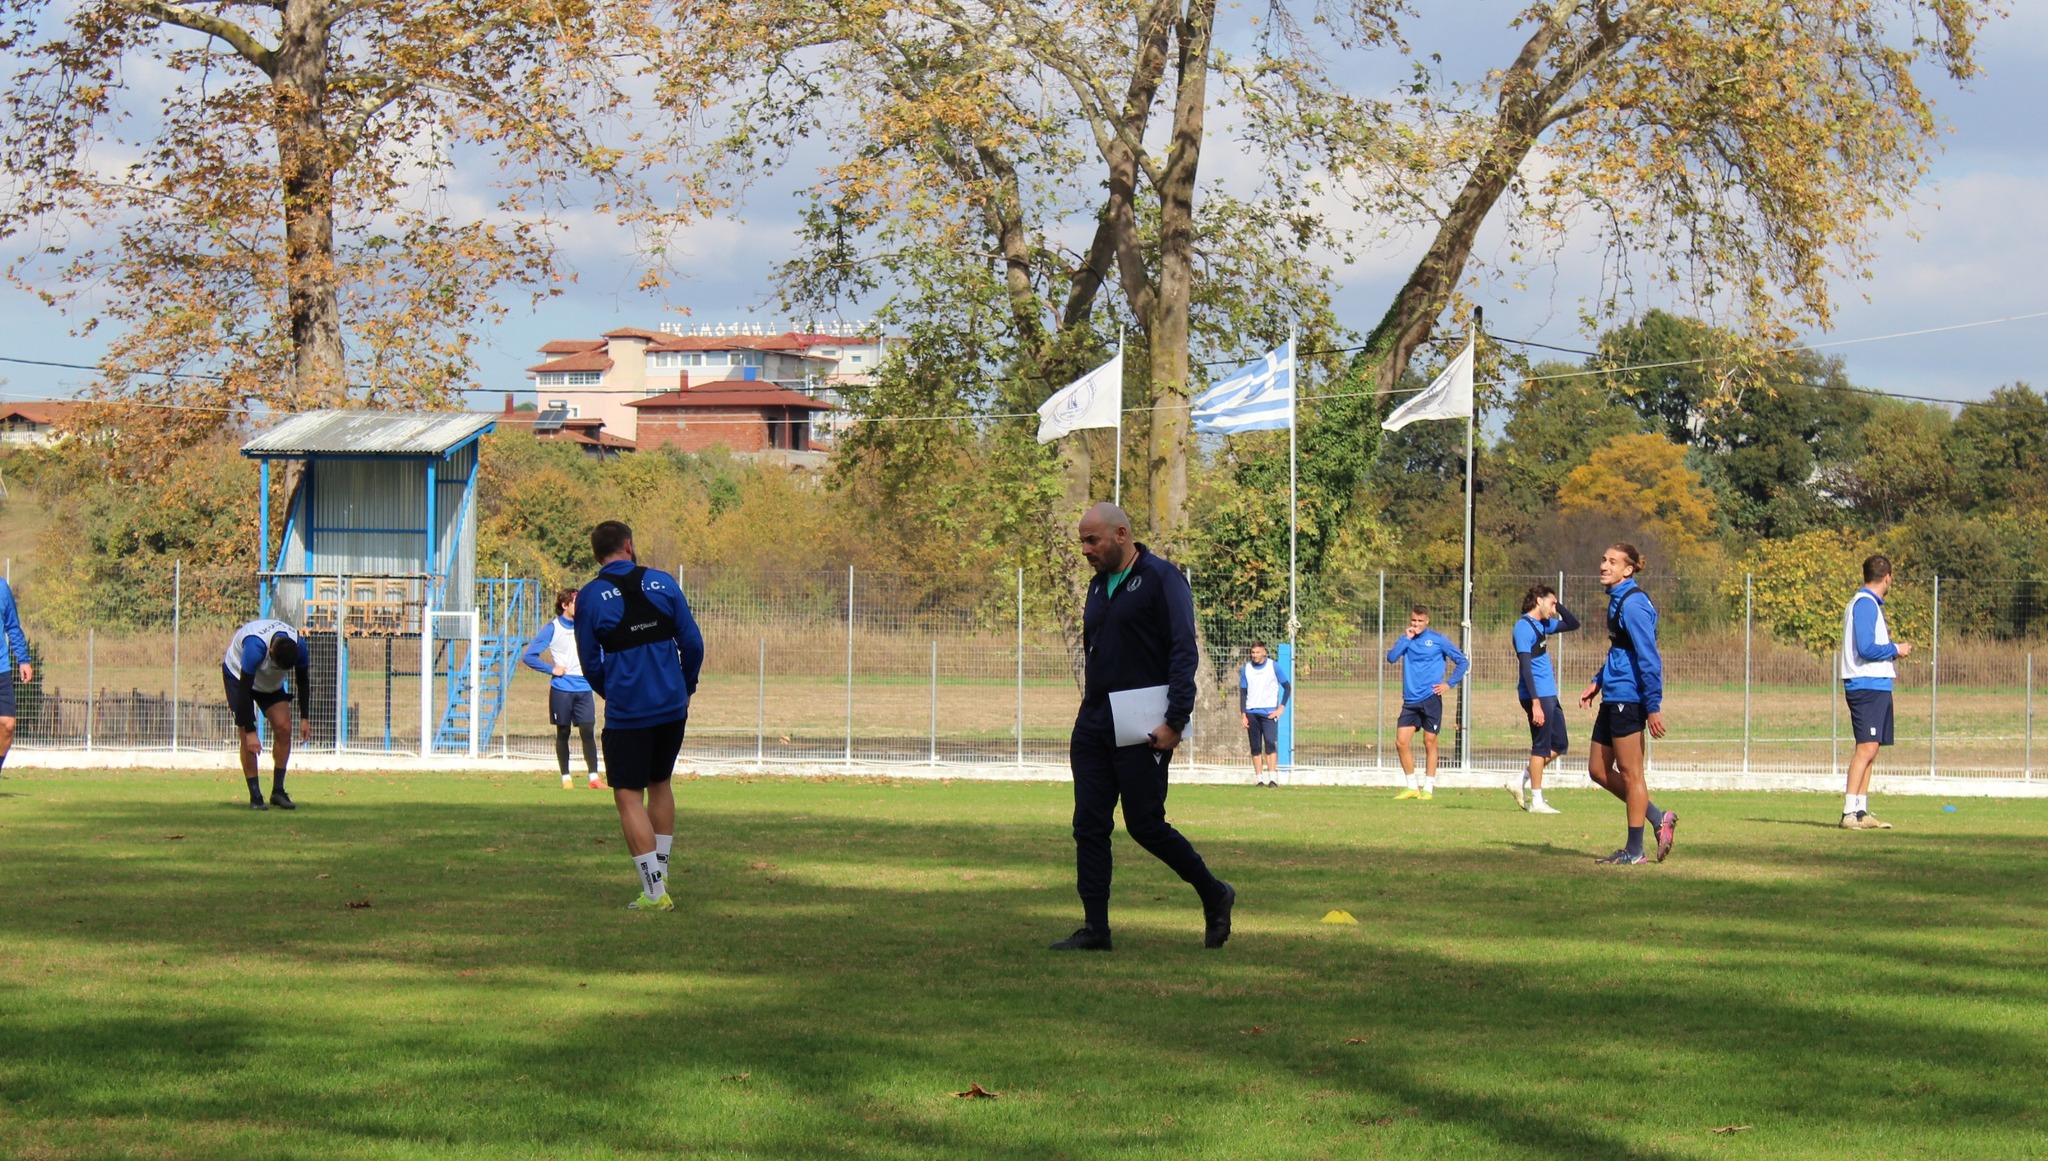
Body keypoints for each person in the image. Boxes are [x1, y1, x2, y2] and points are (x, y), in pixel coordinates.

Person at [1050, 502, 1234, 952]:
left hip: (1143, 727)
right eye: (1082, 543)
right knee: (1089, 825)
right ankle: (1096, 929)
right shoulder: (1096, 588)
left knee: (1145, 824)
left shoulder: (1161, 578)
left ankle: (1214, 892)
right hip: (1093, 724)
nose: (1086, 551)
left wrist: (1176, 720)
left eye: (1093, 541)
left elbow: (1182, 651)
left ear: (1121, 534)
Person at [574, 521, 704, 912]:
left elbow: (589, 661)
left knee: (628, 795)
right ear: (629, 545)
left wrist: (612, 692)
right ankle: (660, 881)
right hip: (671, 706)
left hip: (628, 713)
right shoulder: (663, 582)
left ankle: (653, 893)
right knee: (660, 783)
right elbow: (693, 643)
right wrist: (685, 686)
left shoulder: (591, 596)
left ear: (598, 555)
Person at [1578, 543, 1676, 864]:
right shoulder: (1618, 600)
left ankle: (1635, 852)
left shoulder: (1633, 605)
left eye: (1612, 562)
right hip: (1613, 695)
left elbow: (1649, 658)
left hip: (1630, 700)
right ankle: (1659, 817)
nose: (1603, 565)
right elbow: (1620, 651)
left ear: (1628, 569)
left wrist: (1653, 705)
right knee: (1597, 769)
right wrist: (1598, 681)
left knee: (1631, 775)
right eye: (1603, 559)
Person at [1839, 554, 1910, 830]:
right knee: (1865, 748)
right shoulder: (1865, 604)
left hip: (1877, 685)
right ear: (1887, 578)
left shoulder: (1869, 604)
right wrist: (1896, 649)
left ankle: (1860, 810)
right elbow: (1866, 648)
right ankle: (1848, 812)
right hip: (1865, 685)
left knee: (1872, 749)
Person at [222, 618, 313, 810]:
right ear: (271, 652)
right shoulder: (255, 647)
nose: (279, 670)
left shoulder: (300, 647)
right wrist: (250, 731)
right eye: (278, 666)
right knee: (247, 738)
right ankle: (255, 796)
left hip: (268, 684)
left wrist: (305, 718)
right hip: (239, 678)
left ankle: (278, 791)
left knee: (284, 728)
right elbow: (245, 692)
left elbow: (303, 681)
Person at [1385, 606, 1467, 801]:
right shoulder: (1407, 640)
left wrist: (1448, 684)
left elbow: (1462, 661)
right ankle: (1412, 786)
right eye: (1413, 621)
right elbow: (1391, 658)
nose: (1416, 624)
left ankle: (1428, 788)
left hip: (1431, 699)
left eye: (1420, 621)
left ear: (1427, 621)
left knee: (1429, 742)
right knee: (1401, 742)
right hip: (1410, 700)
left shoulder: (1438, 640)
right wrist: (1405, 639)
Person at [524, 588, 602, 790]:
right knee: (563, 731)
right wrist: (552, 669)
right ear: (565, 605)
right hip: (562, 688)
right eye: (576, 602)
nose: (581, 606)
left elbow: (601, 651)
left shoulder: (587, 626)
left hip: (585, 687)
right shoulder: (553, 628)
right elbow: (529, 656)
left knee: (587, 730)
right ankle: (566, 777)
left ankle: (594, 777)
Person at [1512, 584, 1580, 814]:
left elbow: (1573, 624)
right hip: (1537, 695)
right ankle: (1537, 801)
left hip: (1548, 693)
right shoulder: (1523, 628)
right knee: (1541, 746)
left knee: (1560, 744)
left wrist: (1557, 604)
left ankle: (1520, 779)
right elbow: (1526, 668)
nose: (1554, 610)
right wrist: (1535, 702)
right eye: (1551, 604)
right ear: (1538, 601)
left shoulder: (1543, 624)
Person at [1239, 640, 1290, 787]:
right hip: (1251, 712)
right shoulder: (1246, 669)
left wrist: (1281, 708)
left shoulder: (1273, 666)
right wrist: (1243, 715)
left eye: (1257, 652)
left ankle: (1273, 779)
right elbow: (1243, 693)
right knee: (1255, 747)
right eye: (1253, 652)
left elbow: (1287, 687)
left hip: (1269, 712)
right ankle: (1259, 780)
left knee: (1269, 743)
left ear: (1264, 652)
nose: (1254, 655)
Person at [0, 575, 32, 777]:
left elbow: (12, 625)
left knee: (8, 725)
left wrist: (23, 659)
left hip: (1, 667)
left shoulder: (2, 587)